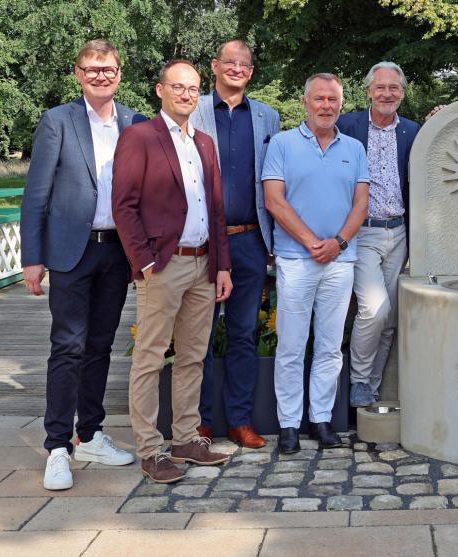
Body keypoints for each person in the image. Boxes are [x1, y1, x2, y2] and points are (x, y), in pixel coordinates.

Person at [20, 39, 144, 491]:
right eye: (91, 69)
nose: (100, 75)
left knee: (100, 346)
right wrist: (31, 258)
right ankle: (57, 446)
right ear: (77, 74)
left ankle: (89, 433)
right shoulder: (57, 121)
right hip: (72, 251)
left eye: (107, 69)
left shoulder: (136, 122)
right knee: (67, 346)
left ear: (119, 73)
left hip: (117, 251)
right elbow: (36, 196)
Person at [112, 60, 233, 483]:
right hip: (162, 265)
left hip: (203, 263)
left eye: (194, 88)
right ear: (160, 89)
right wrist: (143, 261)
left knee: (193, 357)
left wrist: (221, 265)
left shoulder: (203, 143)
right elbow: (123, 204)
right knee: (149, 357)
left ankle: (185, 438)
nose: (186, 94)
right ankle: (149, 448)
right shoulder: (140, 137)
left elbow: (215, 210)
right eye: (178, 87)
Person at [262, 73, 369, 453]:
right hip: (296, 259)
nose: (326, 105)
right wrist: (312, 243)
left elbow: (361, 203)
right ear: (306, 102)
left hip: (340, 259)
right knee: (291, 345)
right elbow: (275, 201)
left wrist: (337, 243)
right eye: (319, 99)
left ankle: (321, 420)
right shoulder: (282, 144)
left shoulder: (354, 148)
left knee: (329, 345)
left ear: (341, 104)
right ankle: (289, 424)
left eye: (333, 100)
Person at [190, 39, 281, 448]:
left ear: (251, 71)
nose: (237, 69)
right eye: (230, 62)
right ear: (214, 65)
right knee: (199, 335)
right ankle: (200, 420)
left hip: (249, 240)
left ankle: (240, 420)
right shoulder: (192, 110)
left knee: (243, 333)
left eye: (245, 64)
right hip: (203, 240)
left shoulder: (268, 118)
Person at [337, 62, 420, 406]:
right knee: (373, 309)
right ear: (369, 91)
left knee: (390, 319)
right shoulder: (348, 125)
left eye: (394, 88)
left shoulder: (413, 131)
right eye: (381, 87)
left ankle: (369, 389)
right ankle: (358, 379)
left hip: (399, 232)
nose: (388, 94)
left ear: (402, 93)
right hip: (363, 232)